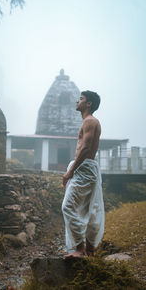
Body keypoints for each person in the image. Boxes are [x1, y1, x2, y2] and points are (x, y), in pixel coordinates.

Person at [62, 90, 104, 257]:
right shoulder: (89, 122)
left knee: (68, 206)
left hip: (84, 168)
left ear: (89, 104)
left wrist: (69, 172)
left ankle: (80, 249)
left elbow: (85, 148)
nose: (76, 101)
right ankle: (90, 251)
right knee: (89, 209)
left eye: (81, 99)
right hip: (86, 168)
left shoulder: (90, 121)